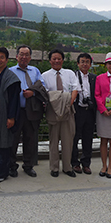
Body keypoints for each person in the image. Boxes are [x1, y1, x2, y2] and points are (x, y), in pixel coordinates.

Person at [9, 45, 45, 178]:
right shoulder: (10, 71)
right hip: (16, 111)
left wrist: (32, 92)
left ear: (30, 57)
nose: (24, 57)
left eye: (27, 55)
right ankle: (12, 166)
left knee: (30, 139)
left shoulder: (35, 71)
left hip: (31, 110)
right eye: (21, 54)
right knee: (13, 140)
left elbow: (42, 86)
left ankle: (28, 165)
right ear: (17, 56)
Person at [42, 49, 79, 178]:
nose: (56, 61)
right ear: (50, 61)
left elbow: (75, 89)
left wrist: (67, 104)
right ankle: (54, 167)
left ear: (62, 60)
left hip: (68, 110)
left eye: (59, 58)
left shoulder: (70, 73)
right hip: (53, 111)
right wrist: (60, 101)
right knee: (53, 141)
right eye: (54, 59)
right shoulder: (44, 75)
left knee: (68, 140)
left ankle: (68, 167)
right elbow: (45, 93)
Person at [0, 47, 20, 182]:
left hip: (4, 115)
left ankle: (1, 172)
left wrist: (11, 117)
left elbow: (14, 100)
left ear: (7, 60)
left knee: (3, 144)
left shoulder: (12, 78)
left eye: (1, 57)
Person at [71, 53, 96, 175]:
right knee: (74, 138)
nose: (85, 64)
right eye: (82, 61)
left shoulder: (94, 77)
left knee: (88, 138)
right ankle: (75, 162)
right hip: (77, 110)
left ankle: (86, 163)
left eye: (87, 62)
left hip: (89, 112)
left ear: (90, 64)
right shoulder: (73, 76)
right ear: (78, 63)